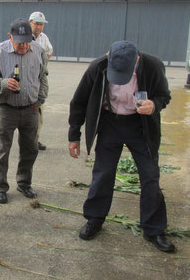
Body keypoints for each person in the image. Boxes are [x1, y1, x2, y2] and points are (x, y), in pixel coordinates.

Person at [68, 40, 175, 253]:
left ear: (136, 60)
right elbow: (79, 101)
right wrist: (74, 135)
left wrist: (154, 105)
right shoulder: (97, 67)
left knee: (150, 175)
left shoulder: (153, 66)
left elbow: (164, 96)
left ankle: (154, 229)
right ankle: (95, 219)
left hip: (140, 125)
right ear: (108, 57)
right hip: (110, 122)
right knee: (103, 173)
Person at [0, 18, 49, 204]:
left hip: (31, 109)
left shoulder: (38, 51)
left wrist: (40, 100)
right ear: (9, 37)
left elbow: (43, 76)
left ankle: (24, 183)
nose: (24, 45)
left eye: (28, 40)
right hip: (6, 109)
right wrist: (3, 83)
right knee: (2, 150)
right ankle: (1, 187)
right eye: (20, 42)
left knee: (30, 149)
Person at [29, 11, 53, 151]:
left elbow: (50, 51)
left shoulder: (43, 38)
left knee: (39, 112)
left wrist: (42, 64)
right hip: (25, 79)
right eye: (37, 23)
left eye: (42, 24)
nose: (39, 27)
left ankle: (35, 140)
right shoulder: (24, 36)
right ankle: (26, 140)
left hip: (38, 80)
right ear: (30, 22)